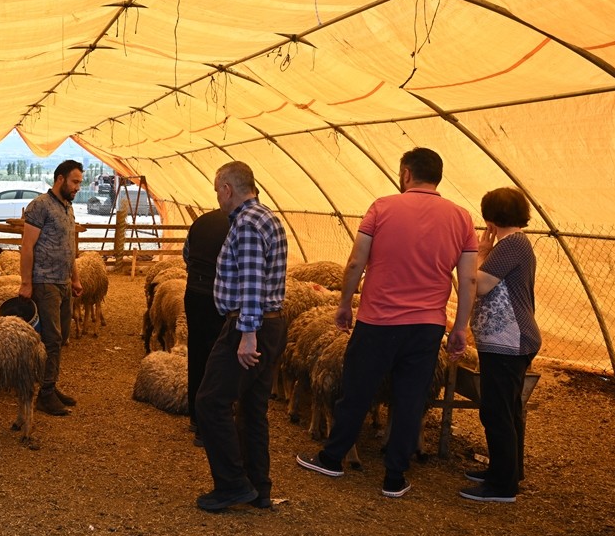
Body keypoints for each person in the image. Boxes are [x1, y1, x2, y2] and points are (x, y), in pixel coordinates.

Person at [297, 147, 477, 498]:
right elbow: (468, 278)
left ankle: (332, 458)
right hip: (426, 327)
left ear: (406, 173)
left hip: (378, 321)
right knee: (410, 399)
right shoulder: (461, 218)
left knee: (357, 391)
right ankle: (395, 476)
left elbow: (355, 262)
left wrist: (344, 303)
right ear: (437, 176)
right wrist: (460, 327)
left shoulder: (381, 207)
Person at [195, 162, 288, 512]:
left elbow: (251, 282)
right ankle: (258, 486)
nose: (217, 198)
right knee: (252, 408)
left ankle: (232, 484)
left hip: (249, 325)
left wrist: (247, 335)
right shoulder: (267, 217)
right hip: (270, 324)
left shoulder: (247, 224)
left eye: (217, 190)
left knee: (210, 402)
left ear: (227, 189)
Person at [461, 187, 541, 503]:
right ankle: (506, 471)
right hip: (504, 341)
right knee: (507, 409)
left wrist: (479, 253)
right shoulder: (512, 244)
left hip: (508, 342)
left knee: (497, 412)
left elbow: (479, 285)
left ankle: (502, 486)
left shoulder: (512, 245)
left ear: (489, 218)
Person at [19, 159, 84, 416]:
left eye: (79, 182)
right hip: (45, 281)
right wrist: (26, 282)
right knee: (51, 339)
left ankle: (51, 385)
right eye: (75, 182)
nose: (78, 187)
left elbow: (69, 247)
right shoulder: (40, 206)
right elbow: (27, 246)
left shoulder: (68, 207)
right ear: (60, 179)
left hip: (63, 282)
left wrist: (75, 278)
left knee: (61, 337)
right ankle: (45, 395)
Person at [182, 208, 231, 446]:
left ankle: (195, 414)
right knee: (218, 358)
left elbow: (187, 254)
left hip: (194, 293)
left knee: (197, 353)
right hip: (219, 297)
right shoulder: (237, 224)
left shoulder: (201, 221)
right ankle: (207, 426)